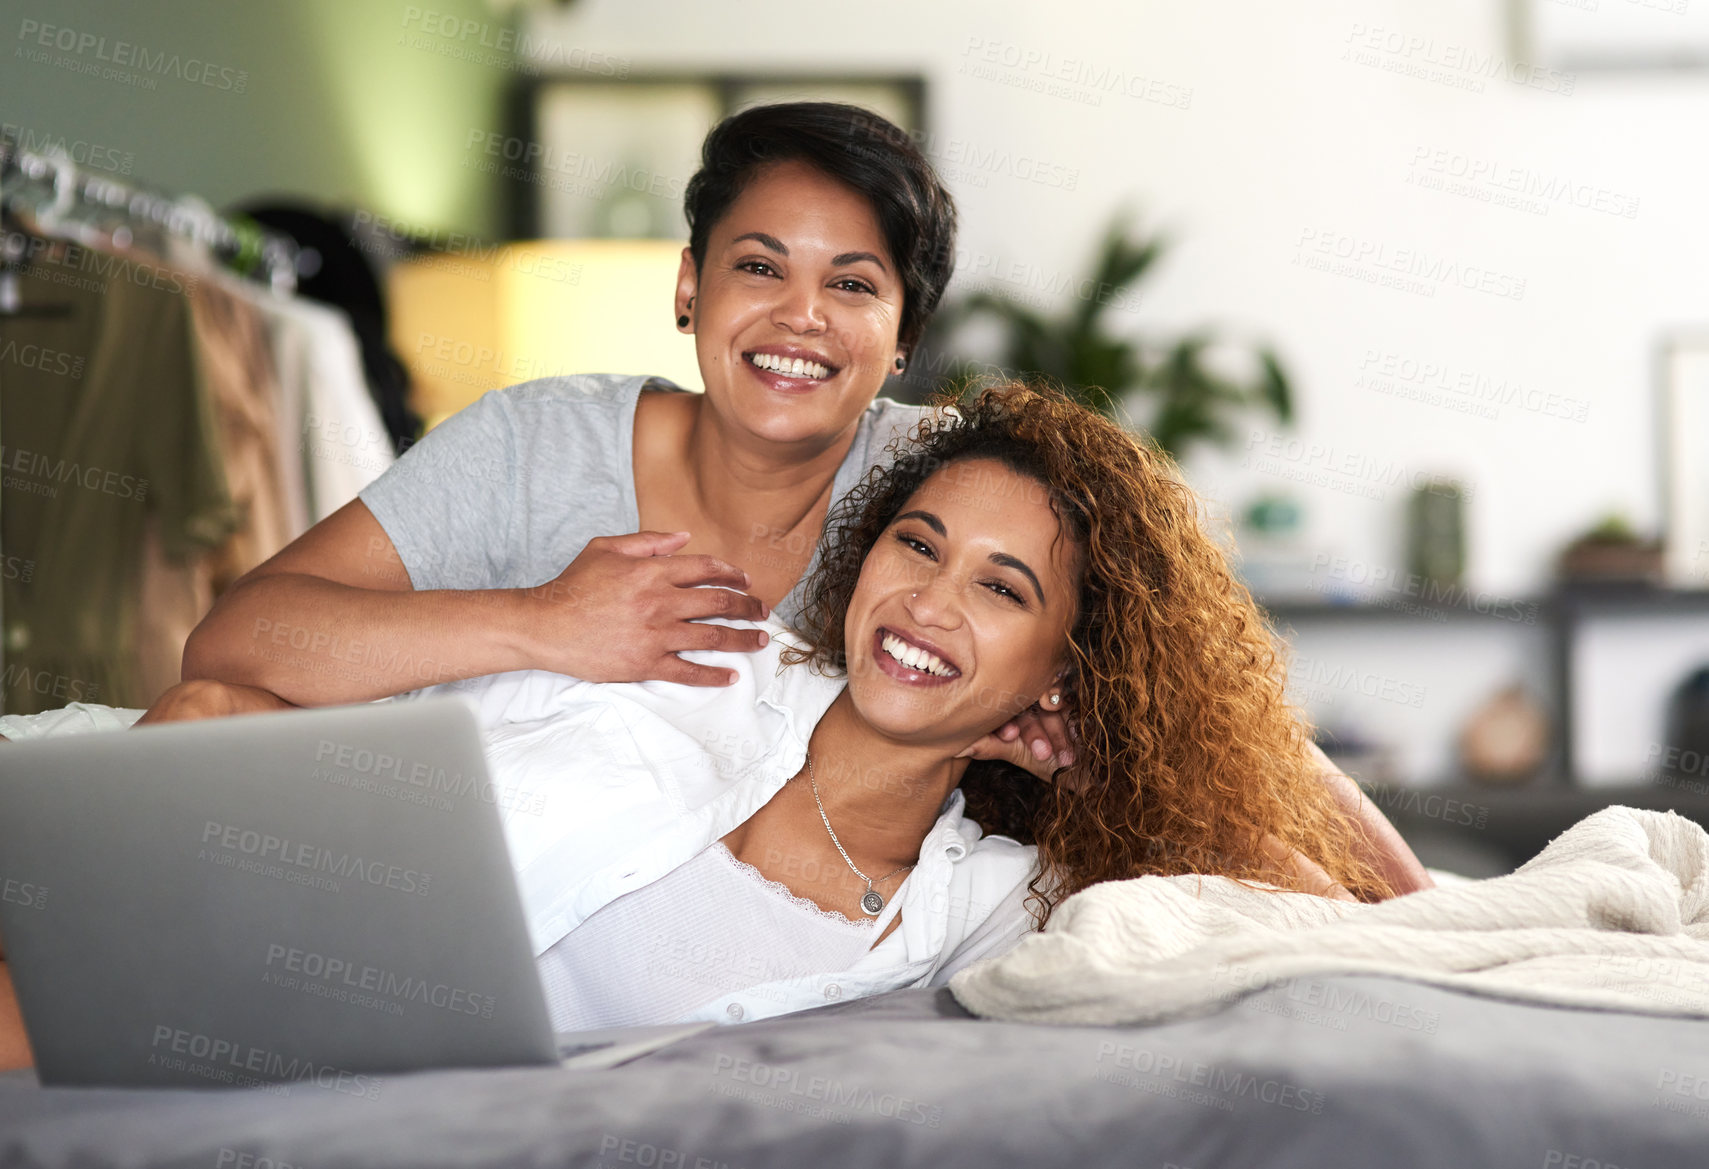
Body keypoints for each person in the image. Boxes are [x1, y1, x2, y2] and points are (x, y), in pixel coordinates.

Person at [141, 99, 1424, 878]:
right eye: (759, 265)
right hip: (488, 861)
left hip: (793, 904)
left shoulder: (941, 490)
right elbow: (240, 636)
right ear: (690, 286)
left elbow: (1210, 711)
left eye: (854, 283)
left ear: (903, 335)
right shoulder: (535, 443)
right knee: (209, 709)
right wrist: (545, 620)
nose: (798, 318)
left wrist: (1416, 898)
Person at [0, 381, 1421, 1062]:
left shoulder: (997, 901)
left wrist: (1110, 756)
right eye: (916, 543)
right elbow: (226, 690)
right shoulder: (691, 660)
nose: (927, 600)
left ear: (1067, 673)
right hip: (151, 899)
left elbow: (1303, 899)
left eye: (1002, 588)